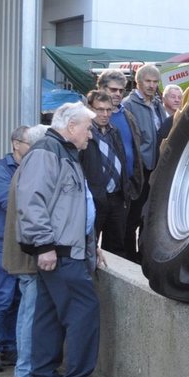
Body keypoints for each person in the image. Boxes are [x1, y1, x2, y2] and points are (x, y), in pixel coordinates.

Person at [15, 102, 111, 377]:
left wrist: (89, 245)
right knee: (85, 311)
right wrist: (44, 245)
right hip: (59, 251)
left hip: (64, 250)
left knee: (49, 314)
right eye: (87, 129)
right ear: (71, 127)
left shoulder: (60, 151)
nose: (91, 135)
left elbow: (70, 207)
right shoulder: (48, 152)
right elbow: (32, 201)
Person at [0, 126, 30, 372]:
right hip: (0, 242)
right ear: (15, 144)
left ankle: (10, 347)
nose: (33, 147)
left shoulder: (30, 169)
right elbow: (10, 202)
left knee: (18, 296)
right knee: (4, 296)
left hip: (21, 242)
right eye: (29, 142)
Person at [2, 125, 47, 377]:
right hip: (29, 255)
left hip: (23, 253)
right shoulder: (32, 168)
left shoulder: (24, 168)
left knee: (26, 311)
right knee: (30, 312)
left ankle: (24, 367)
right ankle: (26, 368)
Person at [119, 63, 168, 258]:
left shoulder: (156, 104)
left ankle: (144, 254)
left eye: (155, 82)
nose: (151, 85)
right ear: (138, 82)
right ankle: (129, 256)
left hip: (156, 167)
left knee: (148, 216)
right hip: (140, 169)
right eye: (148, 81)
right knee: (133, 216)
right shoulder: (129, 105)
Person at [95, 69, 145, 259]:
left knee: (116, 244)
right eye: (113, 89)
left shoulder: (127, 115)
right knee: (90, 242)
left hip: (122, 190)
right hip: (97, 191)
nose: (117, 94)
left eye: (121, 90)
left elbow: (135, 150)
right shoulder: (88, 116)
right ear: (101, 88)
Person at [81, 89, 131, 257]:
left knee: (116, 247)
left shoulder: (114, 131)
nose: (105, 114)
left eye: (108, 110)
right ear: (89, 108)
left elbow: (122, 160)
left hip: (116, 197)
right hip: (94, 198)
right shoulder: (84, 133)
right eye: (99, 109)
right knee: (90, 246)